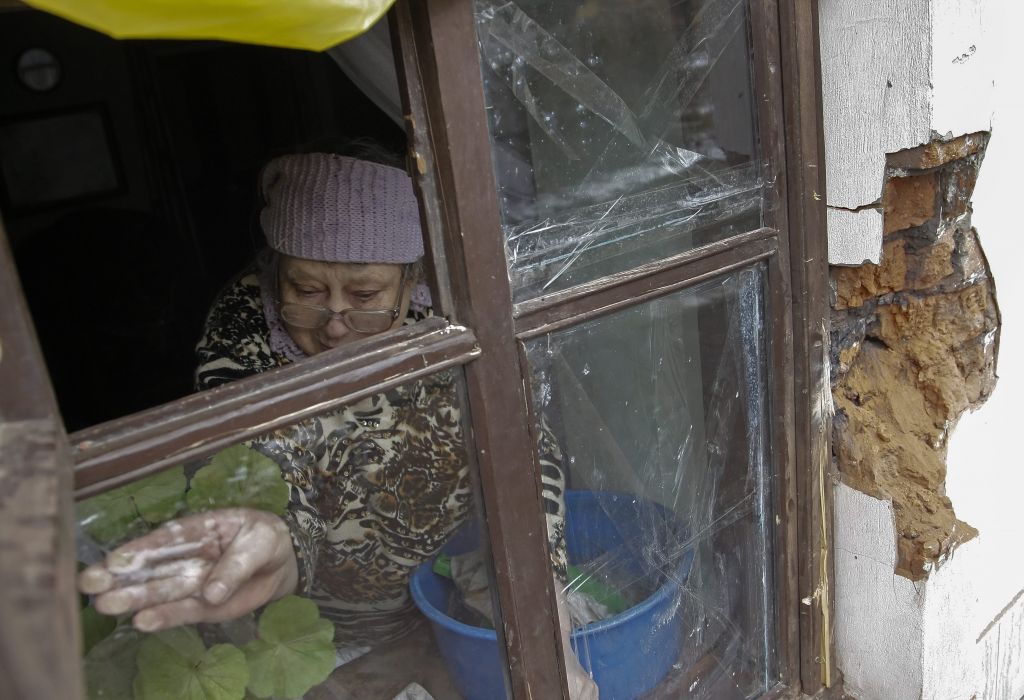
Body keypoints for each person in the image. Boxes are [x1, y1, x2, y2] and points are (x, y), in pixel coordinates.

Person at [78, 147, 597, 698]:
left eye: (365, 295)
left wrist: (546, 617)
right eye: (305, 291)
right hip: (323, 632)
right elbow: (264, 456)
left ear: (412, 278)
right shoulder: (243, 326)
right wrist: (278, 534)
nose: (334, 326)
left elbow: (521, 447)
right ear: (275, 271)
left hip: (450, 596)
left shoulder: (451, 312)